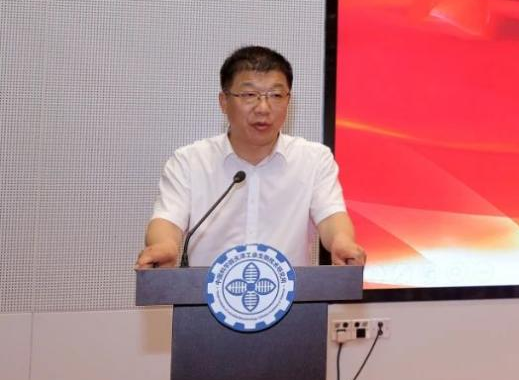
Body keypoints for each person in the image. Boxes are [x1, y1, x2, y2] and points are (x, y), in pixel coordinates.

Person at [135, 46, 366, 268]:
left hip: (291, 295)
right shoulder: (189, 162)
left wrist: (342, 243)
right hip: (205, 295)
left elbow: (331, 217)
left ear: (288, 101)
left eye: (276, 95)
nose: (263, 108)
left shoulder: (314, 159)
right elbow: (168, 220)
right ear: (224, 102)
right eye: (249, 95)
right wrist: (164, 246)